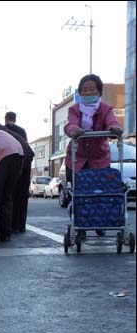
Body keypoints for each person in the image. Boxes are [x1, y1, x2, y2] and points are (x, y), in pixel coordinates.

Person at [64, 74, 123, 237]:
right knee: (78, 193)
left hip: (99, 159)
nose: (88, 93)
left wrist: (114, 129)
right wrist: (74, 130)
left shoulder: (106, 109)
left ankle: (100, 222)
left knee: (101, 193)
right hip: (77, 159)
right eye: (84, 90)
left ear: (99, 91)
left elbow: (112, 122)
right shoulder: (74, 109)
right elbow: (71, 124)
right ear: (80, 92)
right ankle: (80, 224)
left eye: (92, 89)